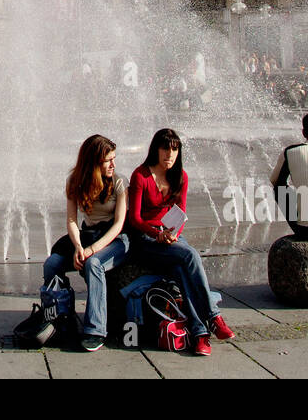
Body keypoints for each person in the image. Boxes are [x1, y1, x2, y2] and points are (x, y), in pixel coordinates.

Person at [127, 128, 234, 356]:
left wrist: (174, 234)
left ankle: (200, 334)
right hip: (146, 239)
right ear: (156, 149)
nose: (170, 154)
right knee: (190, 255)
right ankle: (214, 317)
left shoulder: (181, 176)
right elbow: (134, 218)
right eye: (165, 149)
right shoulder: (141, 176)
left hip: (171, 237)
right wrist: (158, 235)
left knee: (181, 270)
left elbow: (181, 212)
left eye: (175, 149)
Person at [41, 135, 130, 352]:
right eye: (108, 160)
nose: (113, 164)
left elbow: (119, 224)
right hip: (87, 236)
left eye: (114, 159)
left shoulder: (119, 182)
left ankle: (96, 329)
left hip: (116, 240)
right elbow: (71, 220)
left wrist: (91, 251)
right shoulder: (74, 182)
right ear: (93, 161)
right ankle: (61, 316)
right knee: (52, 264)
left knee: (93, 264)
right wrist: (79, 246)